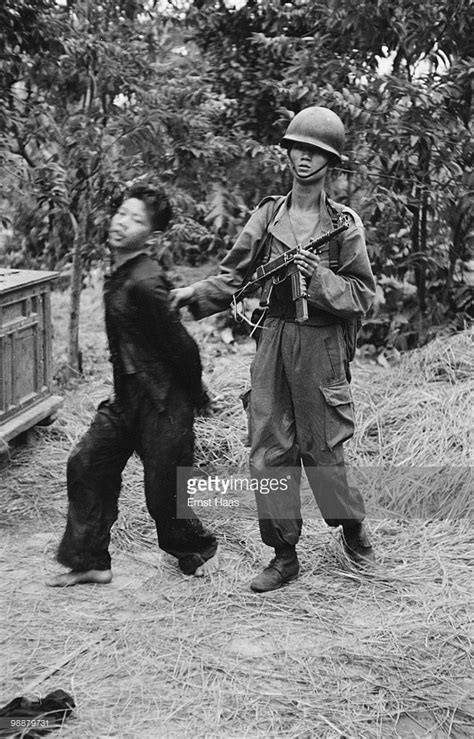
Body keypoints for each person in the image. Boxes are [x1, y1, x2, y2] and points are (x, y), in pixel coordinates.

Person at [171, 106, 376, 592]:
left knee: (323, 451)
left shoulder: (344, 225)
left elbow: (363, 297)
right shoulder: (269, 215)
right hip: (274, 339)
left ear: (330, 162)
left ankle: (351, 527)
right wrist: (192, 296)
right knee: (268, 450)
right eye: (296, 148)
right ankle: (284, 555)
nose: (302, 159)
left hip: (322, 344)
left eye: (314, 151)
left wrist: (319, 277)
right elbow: (234, 276)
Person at [47, 184, 219, 587]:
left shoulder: (146, 281)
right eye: (121, 213)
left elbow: (182, 345)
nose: (122, 223)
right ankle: (90, 560)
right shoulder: (121, 273)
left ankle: (198, 551)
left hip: (163, 403)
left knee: (163, 495)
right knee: (87, 463)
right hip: (127, 399)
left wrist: (196, 398)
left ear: (153, 236)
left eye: (136, 219)